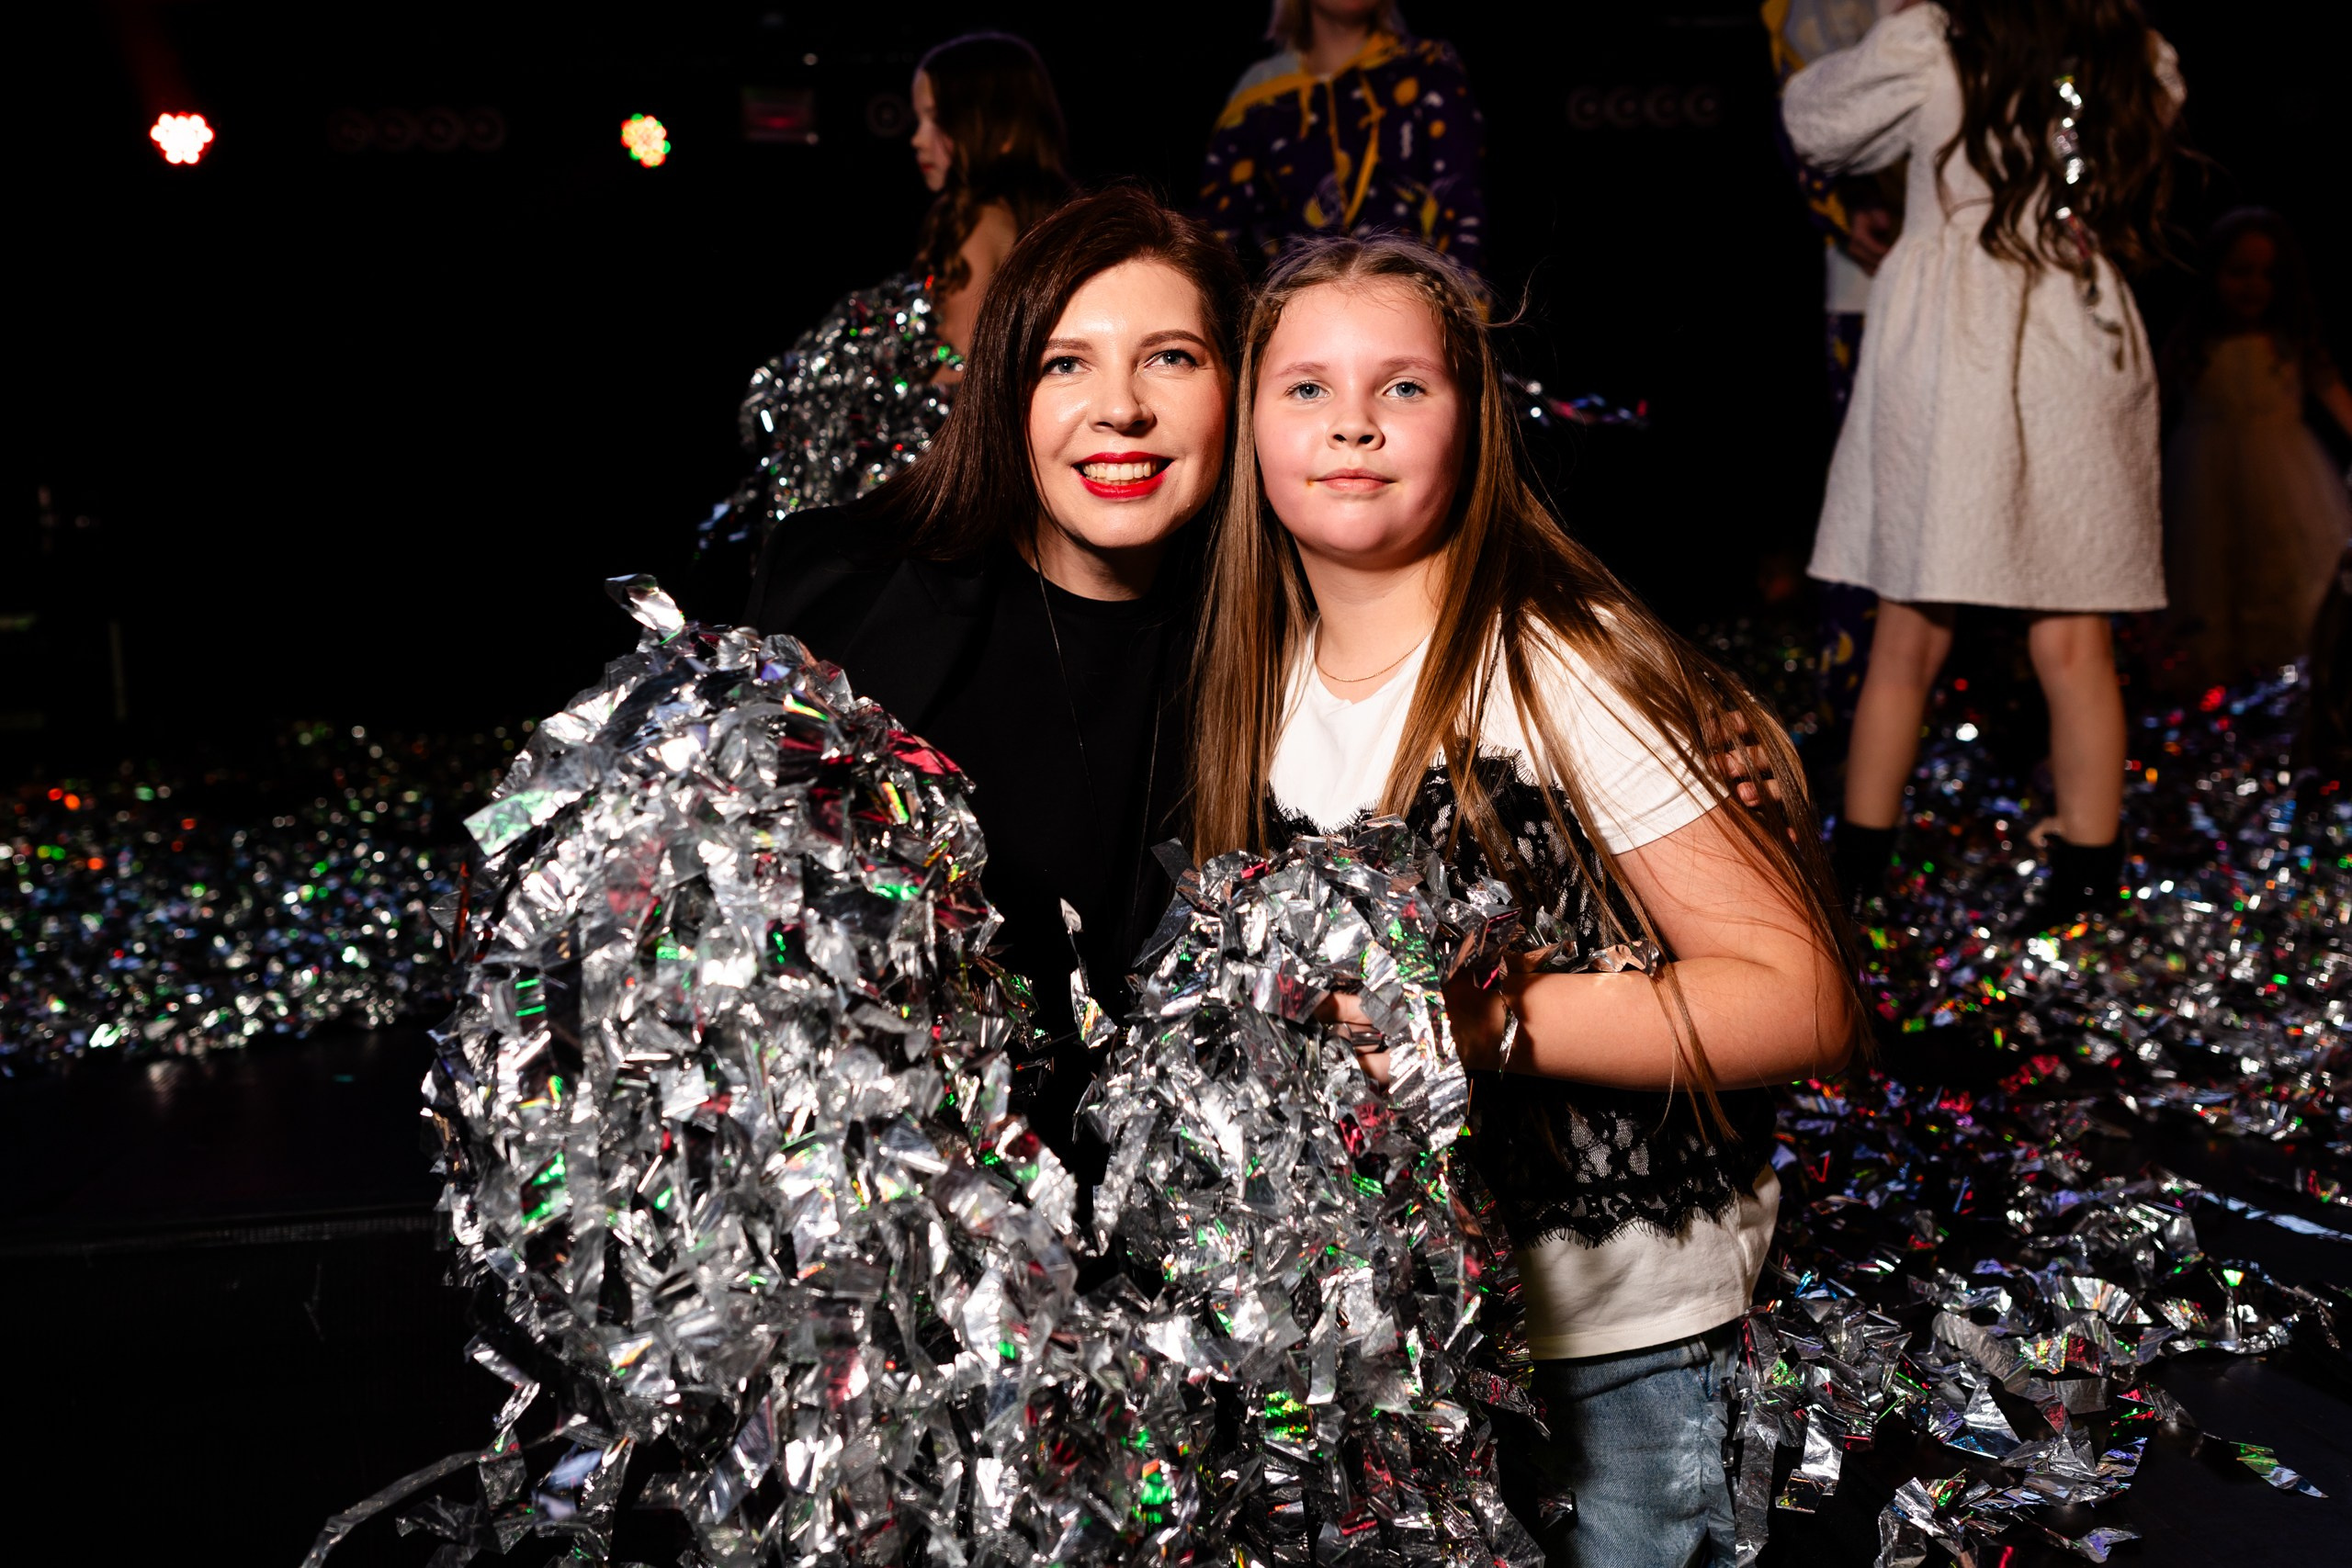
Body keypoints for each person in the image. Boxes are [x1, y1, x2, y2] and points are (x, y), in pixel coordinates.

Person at [1187, 234, 1862, 1567]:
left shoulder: (1553, 666)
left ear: (1474, 420)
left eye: (1405, 387)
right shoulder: (1246, 689)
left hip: (1627, 1339)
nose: (1355, 424)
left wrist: (1479, 1024)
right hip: (1417, 1345)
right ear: (1247, 427)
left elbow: (1802, 998)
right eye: (1306, 388)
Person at [745, 187, 1248, 1177]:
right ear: (1005, 391)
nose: (1121, 408)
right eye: (1067, 363)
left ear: (1238, 386)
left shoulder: (1285, 638)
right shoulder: (842, 600)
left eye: (1172, 358)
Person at [1783, 0, 2185, 917]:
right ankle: (2088, 874)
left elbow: (1816, 123)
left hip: (1953, 344)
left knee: (1907, 632)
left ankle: (1858, 874)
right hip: (2076, 330)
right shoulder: (2127, 50)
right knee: (2073, 639)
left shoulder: (1938, 41)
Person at [707, 33, 1074, 566]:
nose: (916, 139)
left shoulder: (977, 219)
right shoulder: (1050, 220)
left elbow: (965, 373)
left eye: (934, 118)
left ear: (984, 121)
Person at [2160, 208, 2352, 689]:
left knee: (2291, 591)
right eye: (2239, 272)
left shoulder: (2292, 342)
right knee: (2208, 593)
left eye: (2267, 275)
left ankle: (2292, 708)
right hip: (2202, 490)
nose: (2253, 286)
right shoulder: (2191, 343)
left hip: (2286, 483)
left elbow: (2339, 401)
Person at [1197, 0, 1487, 275]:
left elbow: (1460, 207)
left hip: (1413, 302)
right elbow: (1218, 236)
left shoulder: (1429, 69)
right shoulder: (1260, 96)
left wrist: (1456, 312)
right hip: (1296, 306)